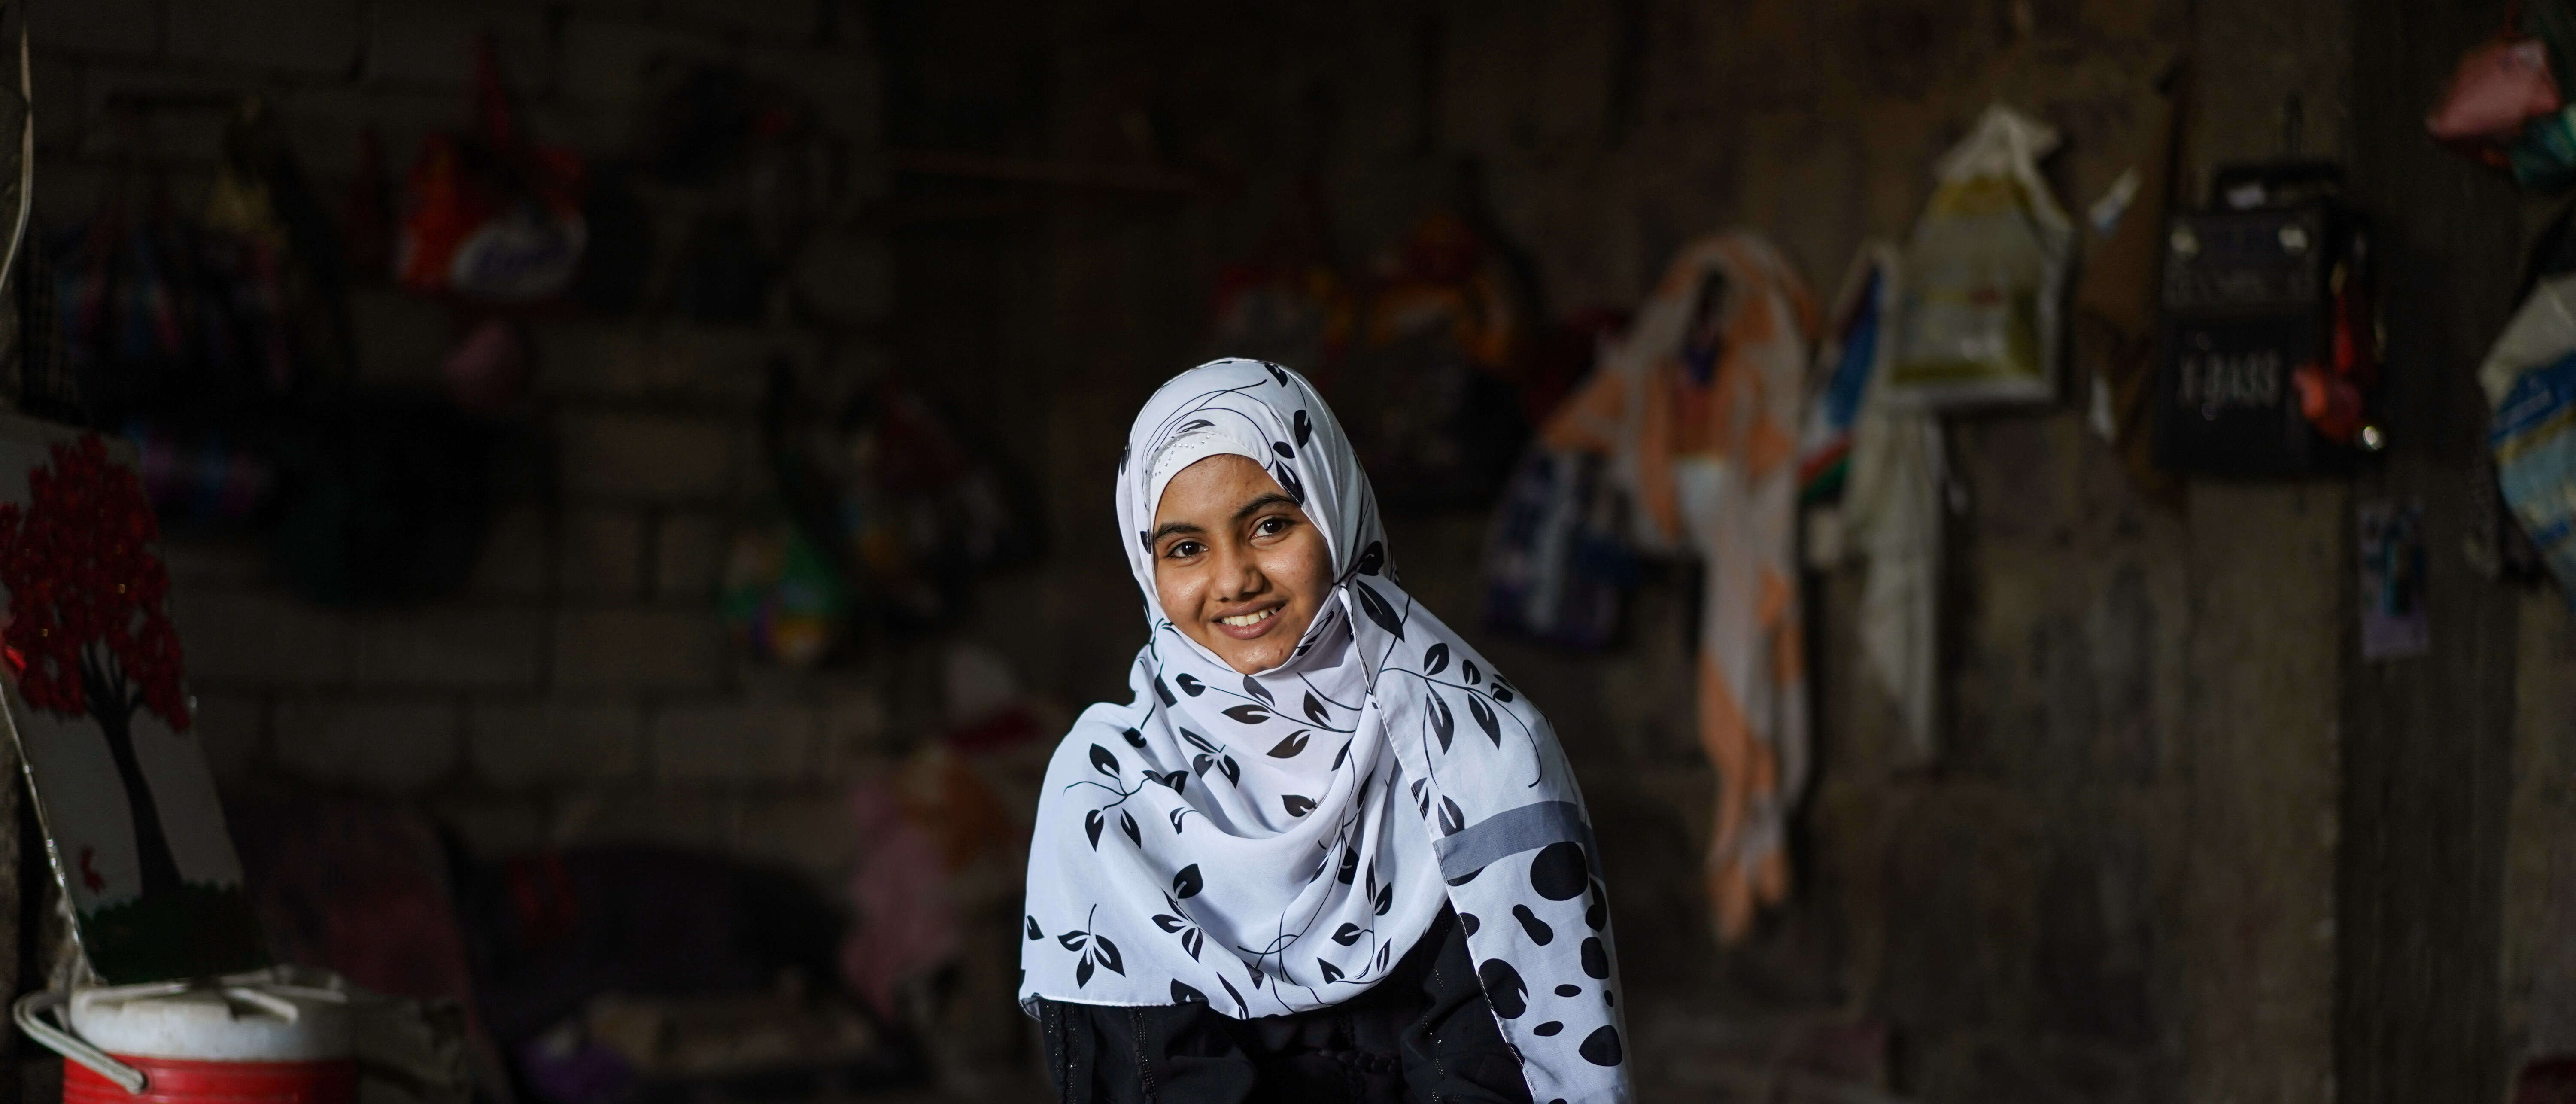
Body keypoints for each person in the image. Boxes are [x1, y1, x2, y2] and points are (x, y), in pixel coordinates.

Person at [1019, 359, 1633, 1104]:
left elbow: (1502, 1068)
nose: (1234, 579)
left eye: (1271, 525)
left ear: (1337, 513)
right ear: (1147, 566)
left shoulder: (1477, 753)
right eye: (1186, 548)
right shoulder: (1108, 788)